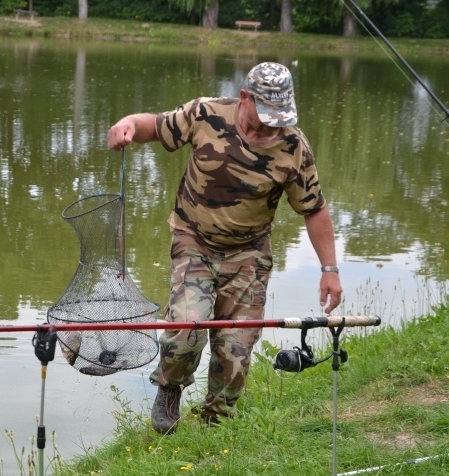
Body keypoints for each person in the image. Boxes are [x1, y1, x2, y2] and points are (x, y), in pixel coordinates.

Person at [106, 62, 343, 434]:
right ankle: (169, 389)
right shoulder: (206, 113)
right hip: (193, 241)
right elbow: (153, 125)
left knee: (235, 350)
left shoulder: (293, 146)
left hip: (249, 253)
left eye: (280, 117)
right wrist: (128, 126)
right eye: (265, 116)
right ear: (244, 98)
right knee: (185, 330)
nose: (271, 126)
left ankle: (216, 423)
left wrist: (330, 270)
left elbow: (314, 209)